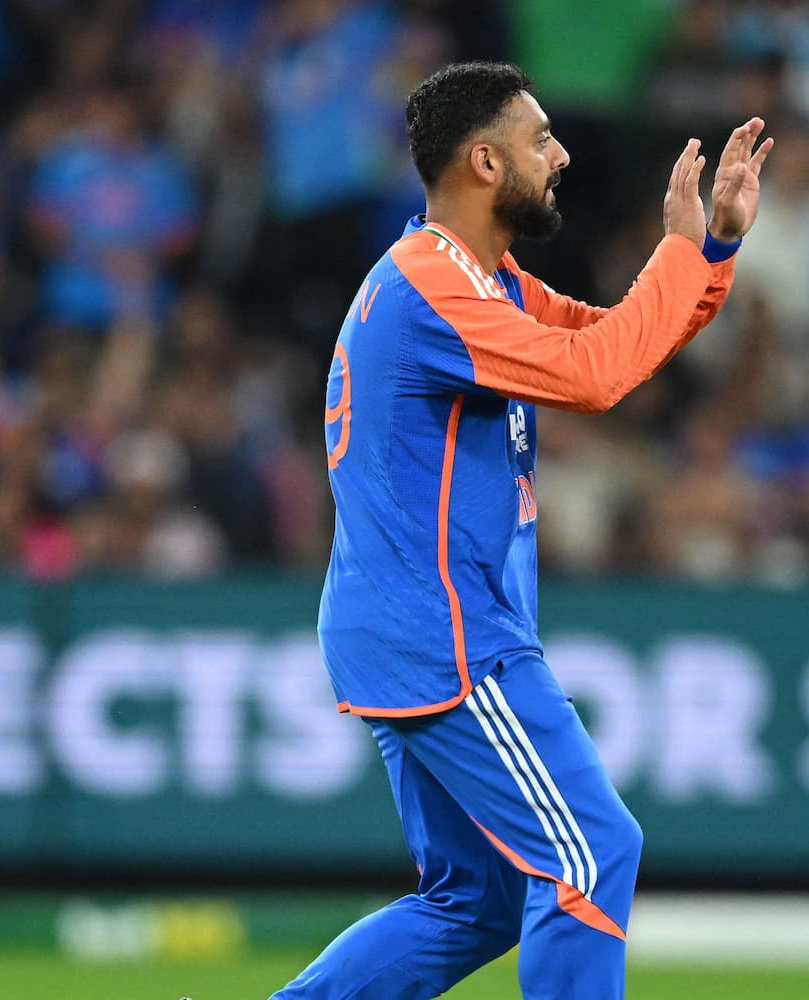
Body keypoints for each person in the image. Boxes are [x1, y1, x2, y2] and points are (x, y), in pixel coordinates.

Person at [278, 61, 771, 999]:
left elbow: (616, 337)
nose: (563, 153)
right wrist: (678, 253)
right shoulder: (434, 286)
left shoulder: (476, 278)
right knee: (591, 854)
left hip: (409, 631)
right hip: (450, 638)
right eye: (540, 137)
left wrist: (708, 252)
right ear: (484, 163)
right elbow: (595, 375)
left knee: (478, 901)